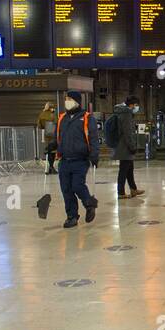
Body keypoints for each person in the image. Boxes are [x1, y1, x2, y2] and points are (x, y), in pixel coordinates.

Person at [54, 91, 100, 228]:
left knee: (77, 185)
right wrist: (53, 146)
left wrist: (94, 155)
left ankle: (89, 204)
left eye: (69, 99)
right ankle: (72, 216)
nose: (67, 101)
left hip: (80, 160)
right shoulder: (62, 118)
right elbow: (59, 136)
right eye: (66, 99)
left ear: (77, 101)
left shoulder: (87, 118)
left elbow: (93, 138)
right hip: (64, 160)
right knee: (66, 189)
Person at [110, 95, 144, 200]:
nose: (137, 108)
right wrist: (132, 146)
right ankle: (120, 192)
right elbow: (128, 132)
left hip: (122, 144)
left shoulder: (121, 111)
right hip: (124, 146)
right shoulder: (126, 114)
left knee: (129, 168)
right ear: (131, 105)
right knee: (124, 169)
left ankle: (133, 189)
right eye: (136, 105)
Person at [36, 101, 57, 175]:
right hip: (53, 136)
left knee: (49, 151)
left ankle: (50, 167)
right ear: (51, 107)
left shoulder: (41, 114)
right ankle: (51, 167)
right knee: (53, 151)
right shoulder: (52, 115)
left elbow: (39, 125)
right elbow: (56, 123)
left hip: (46, 135)